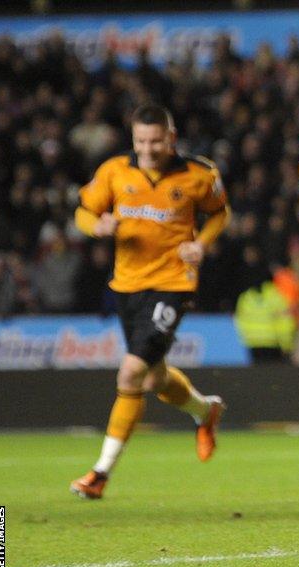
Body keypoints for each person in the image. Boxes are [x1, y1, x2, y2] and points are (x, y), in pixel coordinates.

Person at [69, 104, 231, 500]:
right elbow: (82, 212)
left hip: (174, 283)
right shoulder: (115, 172)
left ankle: (100, 474)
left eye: (155, 140)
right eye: (141, 141)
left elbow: (220, 214)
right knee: (156, 378)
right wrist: (98, 226)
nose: (148, 148)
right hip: (128, 286)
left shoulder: (198, 173)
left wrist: (201, 244)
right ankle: (205, 412)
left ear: (171, 137)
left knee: (130, 374)